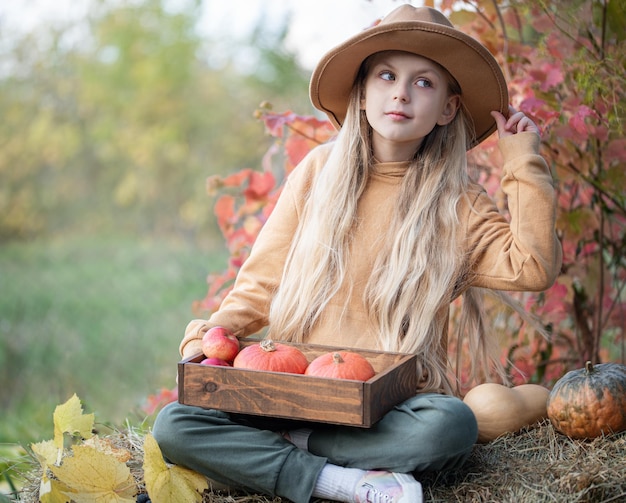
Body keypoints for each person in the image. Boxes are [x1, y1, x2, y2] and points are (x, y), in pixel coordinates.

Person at [153, 5, 562, 503]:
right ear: (363, 94)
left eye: (424, 83)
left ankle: (286, 453)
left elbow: (534, 265)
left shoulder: (459, 205)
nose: (401, 93)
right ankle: (339, 481)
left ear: (449, 109)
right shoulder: (318, 171)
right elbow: (261, 282)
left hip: (386, 407)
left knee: (450, 426)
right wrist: (211, 340)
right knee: (176, 423)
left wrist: (523, 161)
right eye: (387, 75)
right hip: (292, 390)